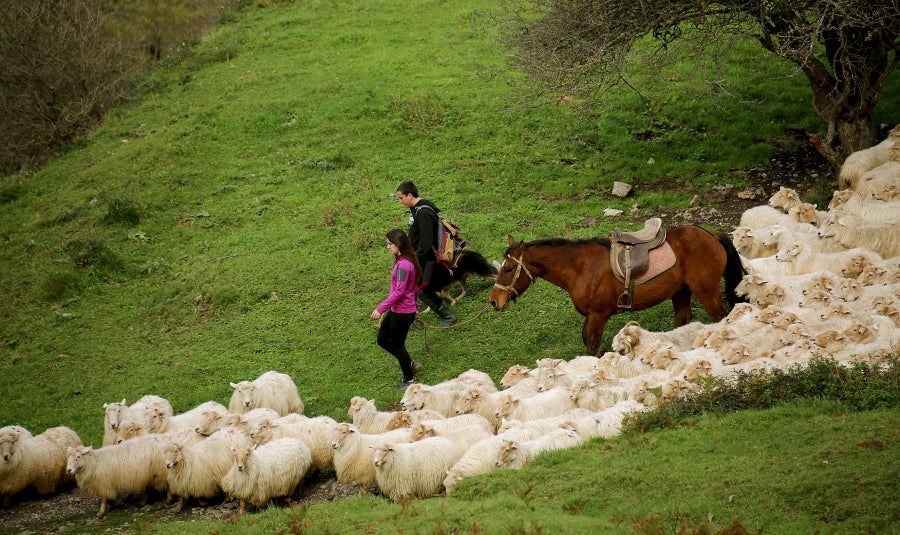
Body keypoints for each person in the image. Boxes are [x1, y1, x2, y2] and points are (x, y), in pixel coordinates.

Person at [396, 180, 456, 328]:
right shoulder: (417, 208)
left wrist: (413, 260)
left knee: (422, 290)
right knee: (409, 287)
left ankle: (448, 317)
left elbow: (426, 242)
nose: (400, 201)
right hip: (421, 257)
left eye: (401, 198)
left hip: (427, 259)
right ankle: (404, 316)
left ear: (409, 195)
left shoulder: (423, 212)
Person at [371, 229, 424, 389]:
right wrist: (415, 306)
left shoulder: (403, 266)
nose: (387, 247)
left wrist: (380, 309)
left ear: (399, 244)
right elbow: (413, 287)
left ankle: (409, 380)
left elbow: (400, 291)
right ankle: (410, 363)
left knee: (398, 344)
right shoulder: (403, 261)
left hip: (402, 312)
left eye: (389, 244)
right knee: (382, 339)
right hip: (397, 309)